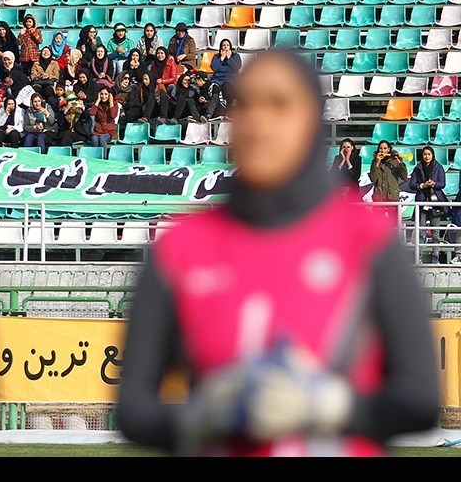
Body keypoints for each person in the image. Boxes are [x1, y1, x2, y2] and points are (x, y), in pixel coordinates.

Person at [117, 49, 438, 457]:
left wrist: (330, 406)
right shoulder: (179, 248)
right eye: (244, 104)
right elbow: (133, 410)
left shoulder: (368, 241)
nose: (258, 122)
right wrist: (197, 416)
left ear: (312, 120)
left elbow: (420, 400)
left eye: (280, 104)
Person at [410, 146, 449, 264]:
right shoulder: (418, 168)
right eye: (424, 154)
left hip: (435, 202)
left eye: (429, 154)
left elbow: (443, 183)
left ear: (432, 155)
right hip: (422, 201)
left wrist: (433, 184)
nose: (426, 156)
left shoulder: (438, 167)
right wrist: (422, 185)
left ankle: (435, 257)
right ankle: (419, 257)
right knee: (420, 231)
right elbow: (412, 184)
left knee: (435, 231)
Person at [210, 39, 242, 104]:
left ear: (230, 47)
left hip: (231, 79)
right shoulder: (216, 57)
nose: (225, 47)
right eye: (223, 45)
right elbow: (214, 68)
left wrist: (229, 58)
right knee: (215, 89)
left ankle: (228, 108)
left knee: (227, 87)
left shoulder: (235, 56)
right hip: (218, 79)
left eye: (227, 45)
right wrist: (221, 58)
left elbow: (237, 67)